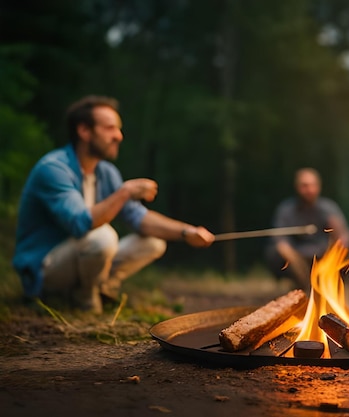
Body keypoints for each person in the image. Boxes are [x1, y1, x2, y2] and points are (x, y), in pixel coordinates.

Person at [12, 95, 215, 314]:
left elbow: (139, 218)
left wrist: (186, 232)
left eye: (118, 129)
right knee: (103, 237)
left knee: (154, 241)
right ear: (84, 131)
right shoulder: (53, 169)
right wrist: (125, 191)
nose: (118, 136)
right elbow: (79, 223)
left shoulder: (105, 172)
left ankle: (101, 287)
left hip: (80, 259)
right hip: (46, 269)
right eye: (110, 128)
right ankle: (85, 301)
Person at [265, 168, 349, 289]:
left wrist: (338, 240)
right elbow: (280, 240)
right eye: (305, 186)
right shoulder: (286, 210)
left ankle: (327, 287)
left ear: (319, 187)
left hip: (322, 256)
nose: (309, 190)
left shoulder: (328, 208)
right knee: (273, 253)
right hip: (296, 256)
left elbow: (345, 236)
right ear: (297, 187)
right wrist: (290, 255)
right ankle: (303, 286)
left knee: (346, 252)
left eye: (313, 185)